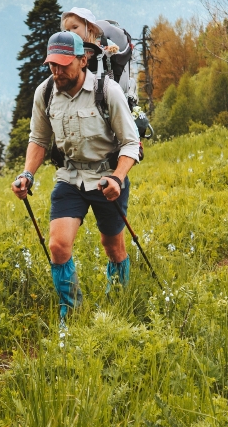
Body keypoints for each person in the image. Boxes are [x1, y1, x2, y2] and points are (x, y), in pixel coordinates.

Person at [10, 30, 141, 321]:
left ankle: (119, 304)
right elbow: (38, 140)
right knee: (58, 244)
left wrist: (117, 179)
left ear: (83, 60)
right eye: (52, 65)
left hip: (108, 178)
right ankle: (71, 313)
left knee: (113, 246)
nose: (56, 71)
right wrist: (27, 174)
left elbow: (131, 144)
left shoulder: (106, 92)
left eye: (63, 64)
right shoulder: (45, 94)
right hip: (70, 177)